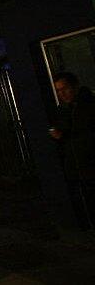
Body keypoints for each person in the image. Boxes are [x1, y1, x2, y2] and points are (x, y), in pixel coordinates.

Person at [48, 71, 95, 229]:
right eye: (58, 91)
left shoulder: (88, 106)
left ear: (74, 87)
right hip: (80, 169)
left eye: (65, 89)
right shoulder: (66, 110)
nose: (62, 94)